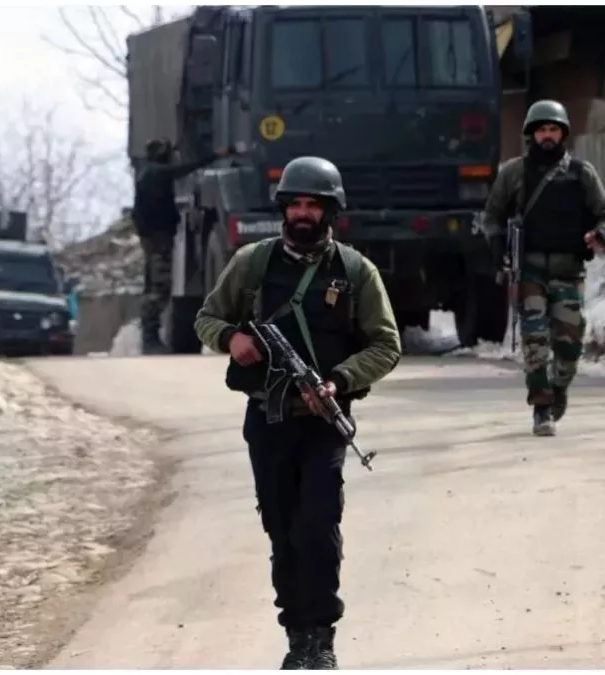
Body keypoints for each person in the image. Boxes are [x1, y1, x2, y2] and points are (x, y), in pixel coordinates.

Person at [194, 156, 402, 669]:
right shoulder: (253, 263)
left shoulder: (355, 272)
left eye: (314, 205)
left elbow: (386, 345)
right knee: (282, 529)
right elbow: (207, 317)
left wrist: (339, 380)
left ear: (331, 212)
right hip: (268, 419)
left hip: (323, 421)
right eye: (296, 204)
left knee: (319, 526)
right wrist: (231, 337)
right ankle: (297, 638)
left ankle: (322, 638)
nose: (303, 213)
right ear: (283, 209)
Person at [480, 99, 605, 436]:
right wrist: (498, 247)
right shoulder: (514, 173)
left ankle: (558, 387)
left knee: (569, 346)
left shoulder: (581, 174)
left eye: (553, 129)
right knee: (535, 340)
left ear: (563, 133)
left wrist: (602, 233)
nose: (547, 135)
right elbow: (492, 216)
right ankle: (541, 406)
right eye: (541, 129)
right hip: (529, 271)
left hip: (569, 271)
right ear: (531, 134)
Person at [132, 139, 230, 354]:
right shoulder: (156, 172)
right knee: (159, 287)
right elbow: (185, 169)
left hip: (154, 236)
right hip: (158, 238)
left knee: (154, 285)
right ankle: (150, 337)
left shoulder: (146, 172)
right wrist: (216, 155)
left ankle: (150, 337)